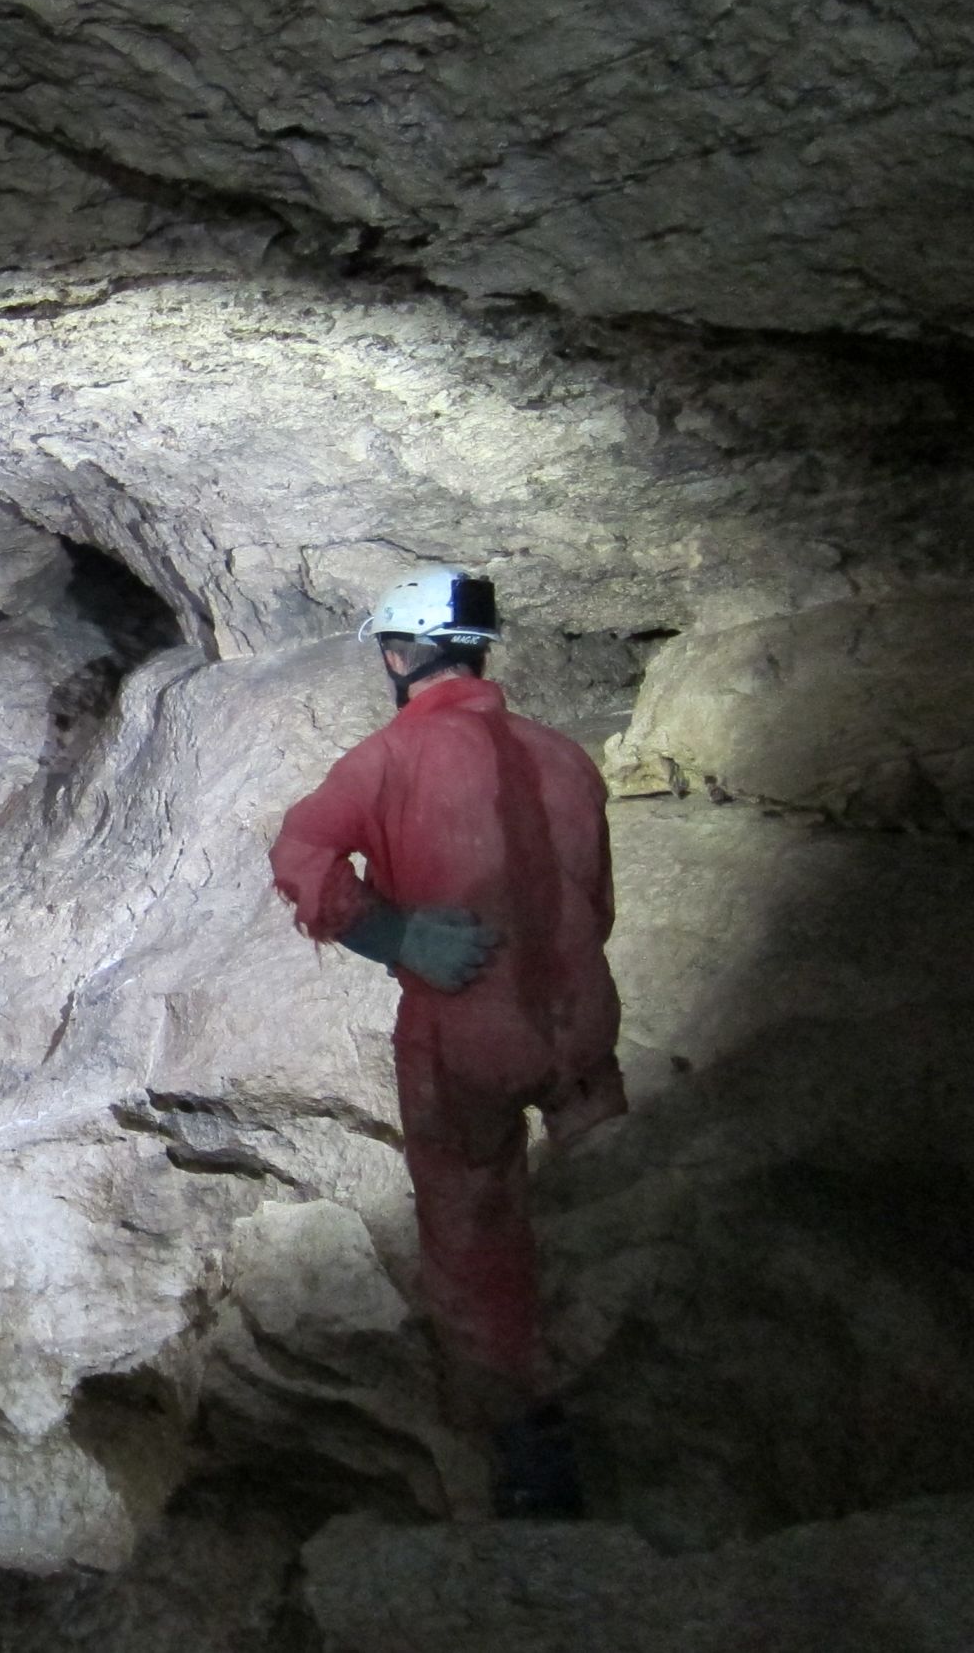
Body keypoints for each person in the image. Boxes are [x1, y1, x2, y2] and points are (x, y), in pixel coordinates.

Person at [266, 568, 625, 1516]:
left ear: (399, 656)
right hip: (584, 1025)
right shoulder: (564, 756)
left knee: (474, 1224)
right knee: (612, 1195)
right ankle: (637, 1371)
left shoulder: (389, 756)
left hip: (466, 1028)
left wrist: (391, 932)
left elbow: (300, 855)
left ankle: (524, 1441)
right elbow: (598, 902)